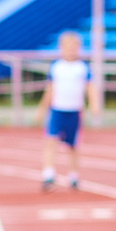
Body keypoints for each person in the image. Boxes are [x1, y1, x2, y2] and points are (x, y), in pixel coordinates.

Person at [40, 30, 89, 190]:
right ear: (61, 48)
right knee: (50, 141)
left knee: (73, 146)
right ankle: (49, 174)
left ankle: (74, 176)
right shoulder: (56, 67)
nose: (71, 50)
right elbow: (50, 89)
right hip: (57, 110)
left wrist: (94, 105)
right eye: (67, 47)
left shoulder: (82, 67)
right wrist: (42, 108)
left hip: (74, 111)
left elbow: (91, 87)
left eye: (74, 47)